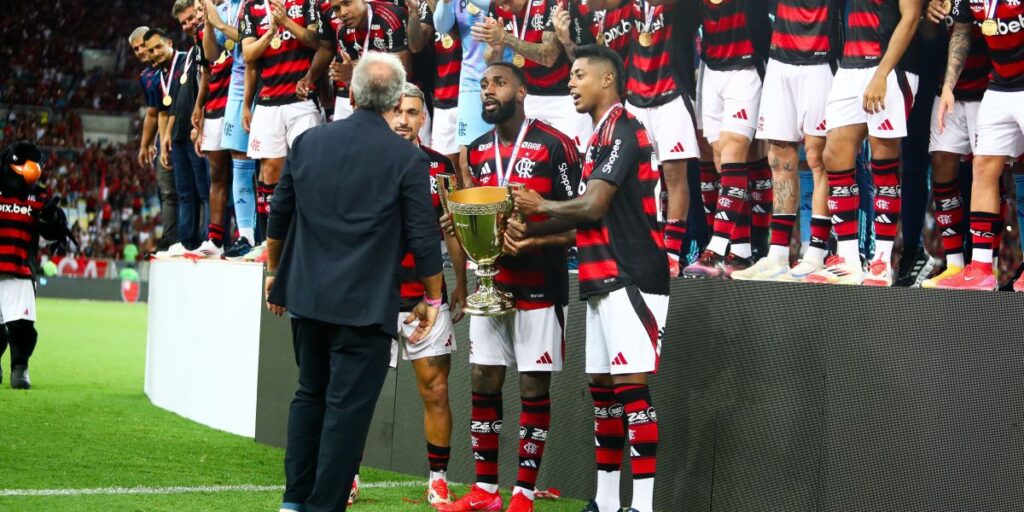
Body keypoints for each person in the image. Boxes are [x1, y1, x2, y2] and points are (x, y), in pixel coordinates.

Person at [265, 52, 444, 512]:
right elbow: (425, 238)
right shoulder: (406, 159)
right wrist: (432, 297)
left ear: (351, 93)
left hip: (307, 297)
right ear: (393, 102)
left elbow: (279, 212)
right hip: (364, 308)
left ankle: (293, 501)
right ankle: (324, 506)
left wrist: (273, 273)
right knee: (346, 411)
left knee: (309, 395)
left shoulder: (308, 142)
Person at [513, 45, 669, 512]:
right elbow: (583, 218)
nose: (570, 82)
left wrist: (539, 206)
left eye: (579, 75)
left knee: (631, 391)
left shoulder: (624, 128)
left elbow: (593, 205)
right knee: (603, 392)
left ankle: (641, 507)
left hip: (633, 274)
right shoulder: (598, 137)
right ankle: (603, 502)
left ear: (607, 80)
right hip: (602, 274)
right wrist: (533, 236)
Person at [437, 62, 580, 512]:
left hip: (541, 284)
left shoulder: (557, 144)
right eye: (483, 85)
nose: (488, 91)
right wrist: (458, 228)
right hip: (490, 285)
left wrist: (533, 237)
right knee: (482, 377)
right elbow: (476, 220)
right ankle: (485, 491)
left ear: (522, 91)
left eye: (498, 83)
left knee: (533, 385)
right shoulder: (476, 152)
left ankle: (522, 492)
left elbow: (581, 217)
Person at [384, 82, 468, 506]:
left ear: (424, 119)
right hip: (372, 299)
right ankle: (347, 473)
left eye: (413, 112)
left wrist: (462, 283)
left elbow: (452, 232)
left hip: (426, 302)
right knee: (356, 391)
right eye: (397, 110)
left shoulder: (440, 169)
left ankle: (437, 477)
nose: (403, 120)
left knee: (435, 391)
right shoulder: (364, 160)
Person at [809, 0, 923, 285]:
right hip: (850, 65)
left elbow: (910, 17)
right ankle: (848, 259)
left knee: (884, 159)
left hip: (890, 67)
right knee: (833, 153)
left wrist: (881, 74)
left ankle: (882, 262)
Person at [732, 0, 843, 282]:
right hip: (780, 60)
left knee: (820, 161)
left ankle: (817, 251)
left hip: (820, 59)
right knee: (779, 162)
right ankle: (778, 254)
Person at [934, 0, 1024, 291]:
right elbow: (961, 32)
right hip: (998, 86)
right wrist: (948, 85)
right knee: (983, 167)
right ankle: (982, 269)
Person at [683, 0, 772, 278]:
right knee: (720, 157)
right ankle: (743, 251)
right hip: (711, 67)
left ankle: (718, 249)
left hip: (747, 63)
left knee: (736, 149)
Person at [240, 0, 327, 261]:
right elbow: (248, 55)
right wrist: (271, 31)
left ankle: (309, 239)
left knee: (308, 169)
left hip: (302, 100)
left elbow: (317, 41)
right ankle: (271, 241)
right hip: (267, 102)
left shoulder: (306, 2)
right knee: (269, 171)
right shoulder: (251, 7)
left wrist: (287, 22)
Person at [918, 0, 990, 288]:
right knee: (941, 163)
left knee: (990, 172)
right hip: (949, 90)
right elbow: (928, 35)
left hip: (989, 89)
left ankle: (989, 264)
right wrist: (928, 16)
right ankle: (955, 264)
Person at [475, 0, 594, 153]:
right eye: (499, 4)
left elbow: (549, 56)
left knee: (575, 155)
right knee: (528, 159)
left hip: (565, 97)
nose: (504, 8)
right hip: (529, 97)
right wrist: (494, 48)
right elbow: (491, 60)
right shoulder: (496, 7)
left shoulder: (551, 3)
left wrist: (505, 38)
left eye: (507, 2)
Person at [0, 141, 70, 389]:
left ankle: (20, 367)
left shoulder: (39, 196)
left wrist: (51, 218)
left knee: (21, 328)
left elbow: (51, 231)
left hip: (21, 271)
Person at [202, 0, 260, 259]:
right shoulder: (224, 8)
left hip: (267, 81)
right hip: (237, 90)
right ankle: (246, 235)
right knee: (240, 161)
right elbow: (212, 55)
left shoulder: (258, 4)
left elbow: (250, 40)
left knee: (272, 165)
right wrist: (207, 20)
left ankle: (268, 234)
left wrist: (219, 24)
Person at [192, 0, 237, 258]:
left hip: (240, 102)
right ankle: (215, 239)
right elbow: (207, 71)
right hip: (215, 108)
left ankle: (250, 235)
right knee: (217, 175)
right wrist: (199, 107)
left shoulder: (243, 11)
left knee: (248, 175)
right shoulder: (203, 29)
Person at [131, 25, 179, 252]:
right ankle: (169, 238)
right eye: (136, 49)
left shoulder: (178, 64)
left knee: (192, 190)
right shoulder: (147, 76)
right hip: (164, 134)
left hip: (185, 131)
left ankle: (194, 237)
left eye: (143, 45)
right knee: (166, 190)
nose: (141, 51)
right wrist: (146, 144)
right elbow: (154, 111)